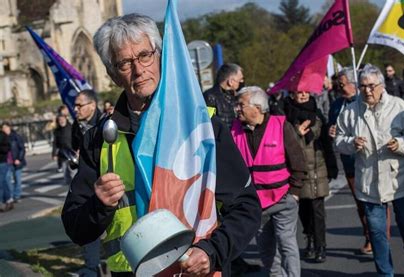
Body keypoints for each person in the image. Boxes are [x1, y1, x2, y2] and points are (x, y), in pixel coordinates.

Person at [61, 14, 261, 277]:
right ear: (112, 75)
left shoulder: (204, 127)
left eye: (145, 55)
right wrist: (98, 205)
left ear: (160, 57)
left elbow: (246, 207)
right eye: (124, 63)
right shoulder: (98, 140)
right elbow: (76, 228)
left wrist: (211, 252)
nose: (139, 69)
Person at [334, 64, 404, 276]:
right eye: (363, 86)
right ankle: (385, 273)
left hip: (398, 176)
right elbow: (337, 140)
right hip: (369, 180)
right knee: (376, 231)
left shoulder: (398, 106)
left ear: (382, 86)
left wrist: (401, 143)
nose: (367, 90)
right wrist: (351, 143)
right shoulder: (351, 111)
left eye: (371, 86)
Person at [231, 86, 306, 276]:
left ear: (257, 107)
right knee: (265, 248)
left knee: (286, 243)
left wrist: (295, 194)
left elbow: (298, 160)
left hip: (283, 199)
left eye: (241, 105)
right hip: (256, 202)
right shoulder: (234, 130)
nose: (236, 109)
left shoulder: (281, 126)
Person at [328, 67, 391, 255]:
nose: (340, 87)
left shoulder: (365, 101)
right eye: (338, 84)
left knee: (379, 200)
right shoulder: (336, 105)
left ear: (354, 83)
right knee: (361, 202)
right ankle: (369, 236)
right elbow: (335, 131)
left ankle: (382, 238)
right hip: (350, 162)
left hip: (372, 160)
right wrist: (332, 132)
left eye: (343, 83)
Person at [284, 90, 338, 263]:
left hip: (317, 168)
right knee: (304, 210)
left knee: (318, 211)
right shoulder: (285, 116)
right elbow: (285, 144)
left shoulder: (317, 113)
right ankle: (310, 238)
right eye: (299, 92)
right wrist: (297, 133)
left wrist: (330, 136)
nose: (303, 95)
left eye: (306, 92)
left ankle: (321, 245)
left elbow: (325, 142)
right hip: (297, 170)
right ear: (292, 95)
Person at [72, 89, 104, 277]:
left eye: (79, 105)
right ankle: (92, 267)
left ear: (92, 105)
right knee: (89, 226)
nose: (76, 109)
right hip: (87, 183)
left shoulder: (106, 123)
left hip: (107, 183)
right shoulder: (78, 125)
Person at [203, 63, 245, 129]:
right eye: (240, 80)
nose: (242, 82)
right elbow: (207, 122)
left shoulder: (238, 96)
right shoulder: (210, 97)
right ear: (231, 82)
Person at [2, 122, 26, 203]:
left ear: (9, 127)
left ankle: (17, 195)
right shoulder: (3, 138)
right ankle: (10, 196)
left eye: (6, 127)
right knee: (7, 179)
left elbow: (22, 148)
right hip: (7, 162)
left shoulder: (16, 136)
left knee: (17, 179)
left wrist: (19, 159)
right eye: (3, 128)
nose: (4, 129)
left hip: (16, 161)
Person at [52, 114, 74, 184]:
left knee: (73, 173)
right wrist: (54, 154)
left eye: (62, 119)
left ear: (66, 119)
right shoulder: (56, 131)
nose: (61, 121)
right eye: (59, 120)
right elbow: (55, 143)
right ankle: (70, 189)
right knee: (65, 174)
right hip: (63, 154)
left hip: (73, 153)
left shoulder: (72, 128)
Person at [0, 128, 13, 212]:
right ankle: (7, 200)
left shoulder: (2, 135)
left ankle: (6, 200)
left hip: (2, 162)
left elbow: (7, 147)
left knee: (2, 181)